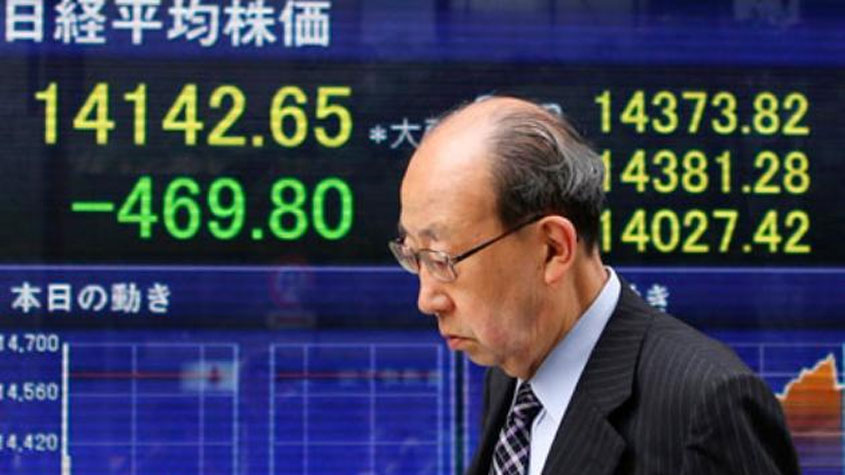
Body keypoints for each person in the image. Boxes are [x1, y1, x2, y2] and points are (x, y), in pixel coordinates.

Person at [389, 96, 799, 474]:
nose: (427, 299)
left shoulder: (704, 408)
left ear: (553, 249)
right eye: (413, 256)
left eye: (442, 260)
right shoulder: (511, 374)